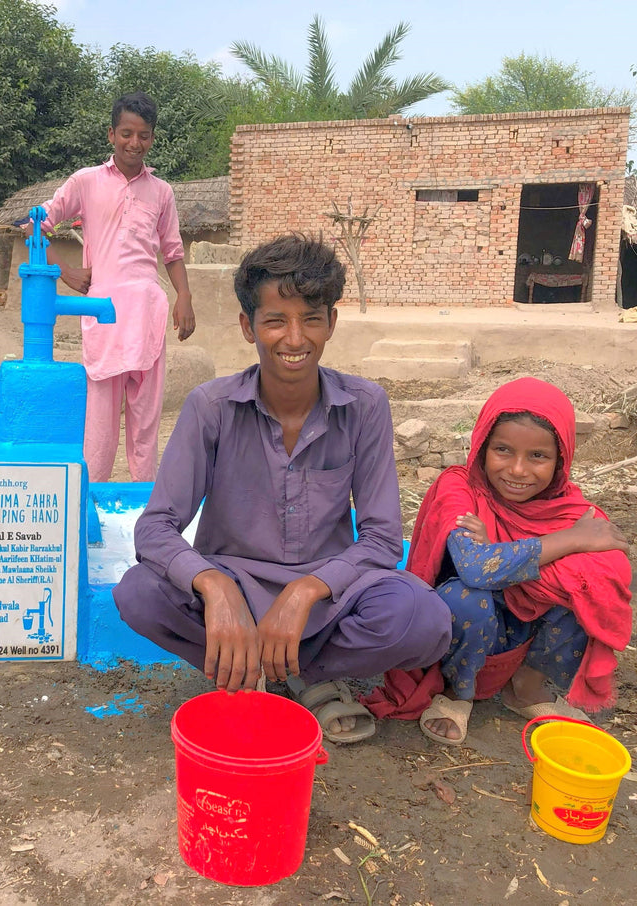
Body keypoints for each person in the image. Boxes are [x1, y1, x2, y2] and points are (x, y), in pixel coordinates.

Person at [113, 233, 452, 743]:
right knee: (139, 593)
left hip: (329, 598)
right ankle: (280, 670)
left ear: (331, 322)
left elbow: (382, 539)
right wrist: (215, 585)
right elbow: (156, 528)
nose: (295, 339)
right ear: (248, 326)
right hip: (234, 587)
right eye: (275, 321)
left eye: (310, 319)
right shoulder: (211, 408)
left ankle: (280, 673)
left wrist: (306, 590)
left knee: (423, 619)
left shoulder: (365, 406)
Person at [365, 377, 632, 745]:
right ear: (482, 446)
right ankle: (459, 691)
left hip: (528, 634)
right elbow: (475, 568)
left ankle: (526, 687)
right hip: (467, 631)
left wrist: (501, 553)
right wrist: (567, 542)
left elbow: (611, 572)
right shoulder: (459, 489)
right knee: (466, 596)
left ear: (561, 460)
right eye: (503, 450)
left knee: (591, 585)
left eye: (538, 456)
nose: (518, 470)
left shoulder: (571, 510)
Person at [37, 90, 195, 482]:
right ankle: (91, 502)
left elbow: (173, 251)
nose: (134, 143)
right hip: (102, 315)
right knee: (100, 425)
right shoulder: (86, 182)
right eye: (126, 133)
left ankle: (146, 506)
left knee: (145, 424)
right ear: (111, 134)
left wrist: (184, 296)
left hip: (147, 316)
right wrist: (66, 272)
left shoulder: (162, 192)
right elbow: (35, 226)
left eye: (143, 135)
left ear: (152, 138)